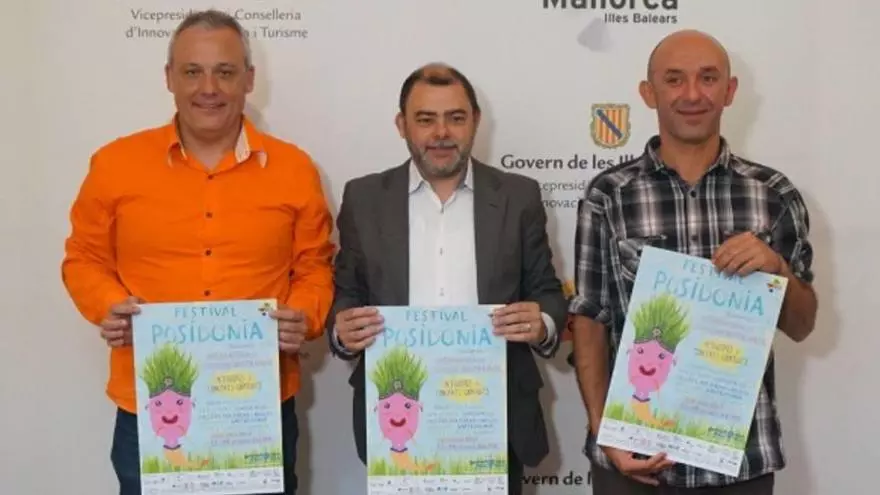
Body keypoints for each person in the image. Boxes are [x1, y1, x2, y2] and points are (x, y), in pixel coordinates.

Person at [60, 9, 334, 495]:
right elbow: (84, 256)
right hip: (148, 404)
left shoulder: (294, 169)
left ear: (249, 79)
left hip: (257, 404)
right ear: (169, 78)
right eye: (193, 71)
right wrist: (108, 304)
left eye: (225, 72)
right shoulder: (115, 164)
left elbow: (314, 264)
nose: (209, 88)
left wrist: (304, 315)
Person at [569, 29, 818, 495]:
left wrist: (778, 270)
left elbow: (802, 325)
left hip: (740, 461)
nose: (691, 94)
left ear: (729, 90)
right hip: (633, 458)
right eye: (674, 79)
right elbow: (589, 319)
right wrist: (605, 430)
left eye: (707, 78)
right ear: (649, 93)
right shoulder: (609, 195)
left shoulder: (773, 194)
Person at [326, 63, 568, 495]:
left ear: (475, 121)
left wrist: (543, 321)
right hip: (398, 419)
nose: (441, 133)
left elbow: (547, 292)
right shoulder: (364, 198)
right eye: (425, 119)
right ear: (402, 125)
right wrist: (342, 331)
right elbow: (347, 294)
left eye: (455, 118)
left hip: (493, 418)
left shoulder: (519, 196)